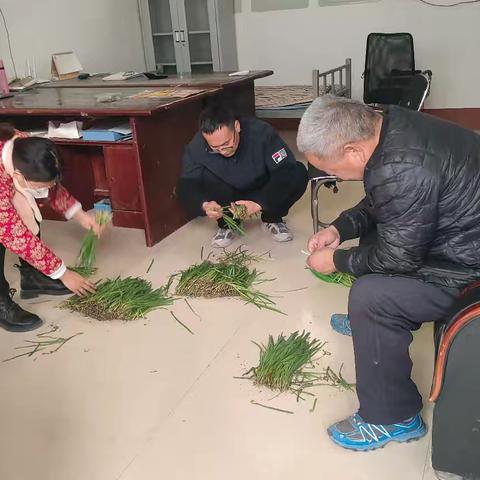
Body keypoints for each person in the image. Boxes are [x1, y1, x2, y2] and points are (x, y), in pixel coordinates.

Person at [297, 95, 480, 452]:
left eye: (330, 167)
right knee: (371, 242)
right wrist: (339, 228)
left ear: (353, 151)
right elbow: (387, 198)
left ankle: (392, 417)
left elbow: (398, 257)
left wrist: (335, 260)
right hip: (461, 240)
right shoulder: (389, 125)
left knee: (371, 298)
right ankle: (371, 329)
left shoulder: (402, 165)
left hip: (469, 269)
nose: (332, 176)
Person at [0, 124, 101, 332]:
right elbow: (16, 236)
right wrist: (63, 273)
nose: (45, 189)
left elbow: (49, 183)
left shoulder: (24, 145)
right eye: (39, 185)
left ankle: (32, 277)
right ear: (17, 175)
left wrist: (79, 214)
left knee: (27, 202)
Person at [177, 103, 308, 247]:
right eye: (215, 147)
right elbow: (186, 185)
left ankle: (272, 217)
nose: (223, 150)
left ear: (237, 126)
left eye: (227, 143)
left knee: (298, 173)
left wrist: (259, 203)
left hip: (262, 186)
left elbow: (286, 171)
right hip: (228, 193)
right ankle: (228, 224)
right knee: (205, 177)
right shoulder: (196, 146)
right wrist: (204, 205)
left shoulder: (262, 133)